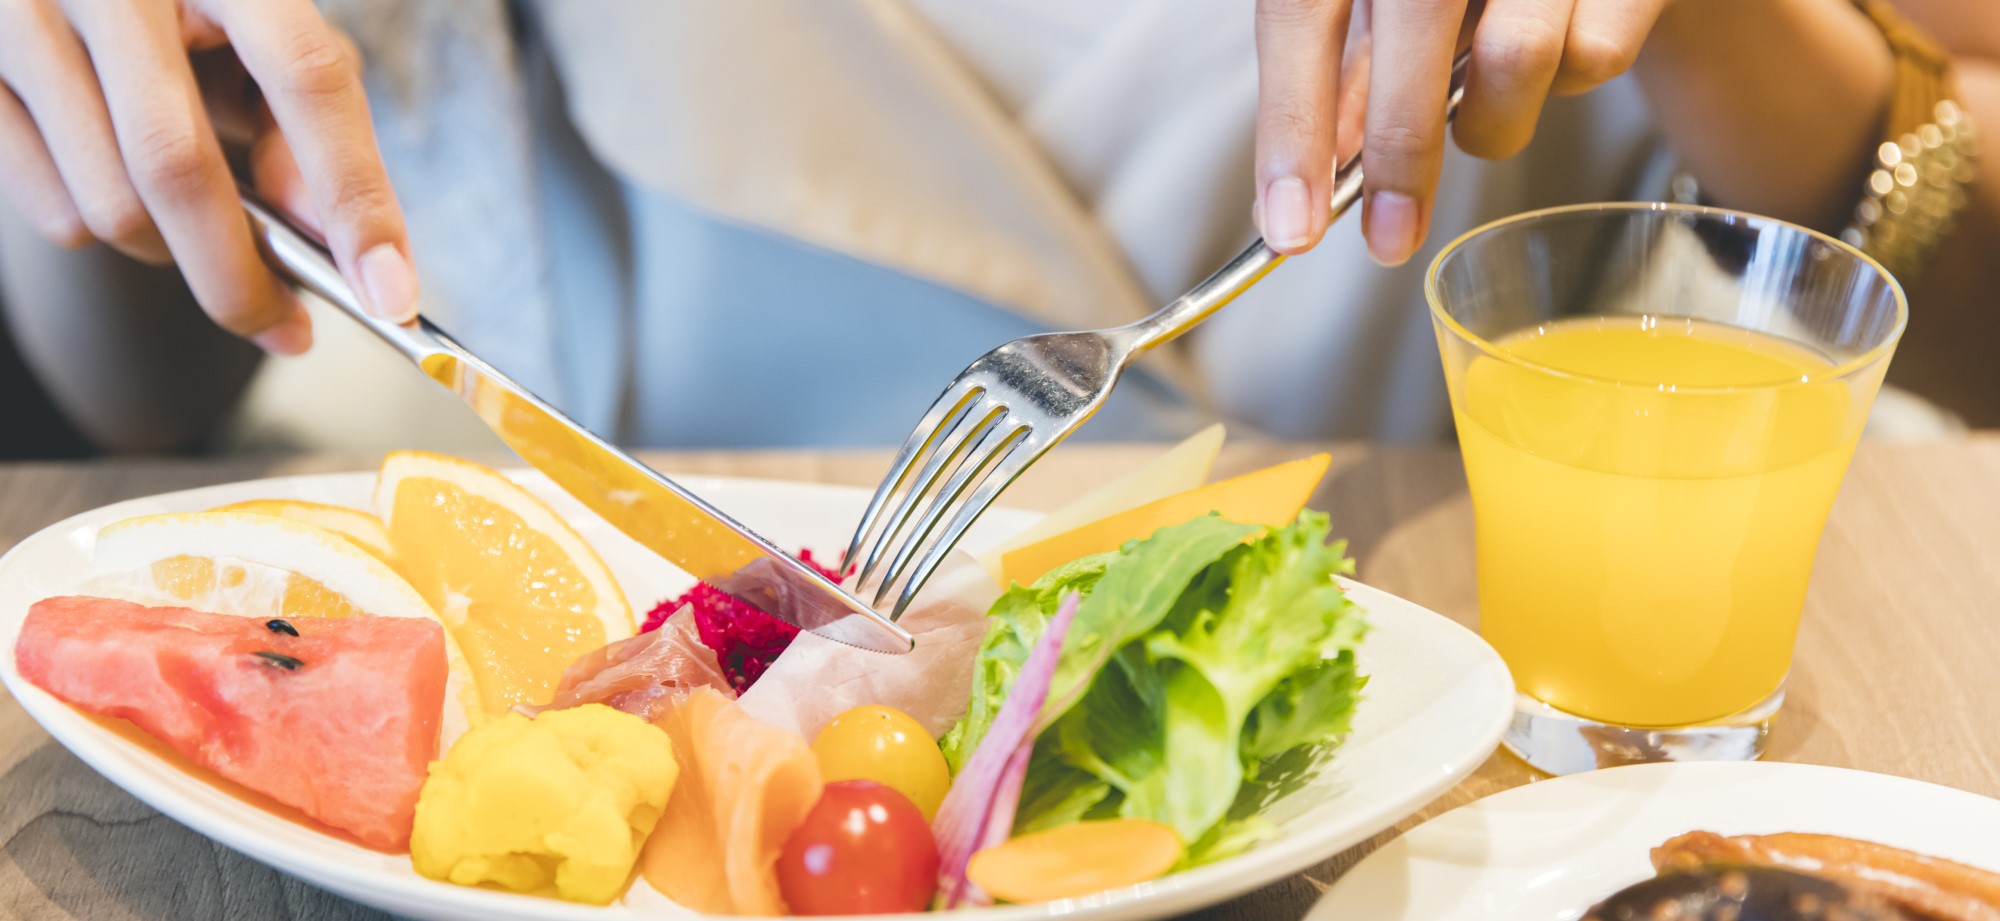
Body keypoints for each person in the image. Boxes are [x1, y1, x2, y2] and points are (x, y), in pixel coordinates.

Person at [0, 0, 1993, 455]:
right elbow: (129, 411)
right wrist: (89, 115)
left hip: (1446, 849)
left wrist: (1742, 20)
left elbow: (1973, 322)